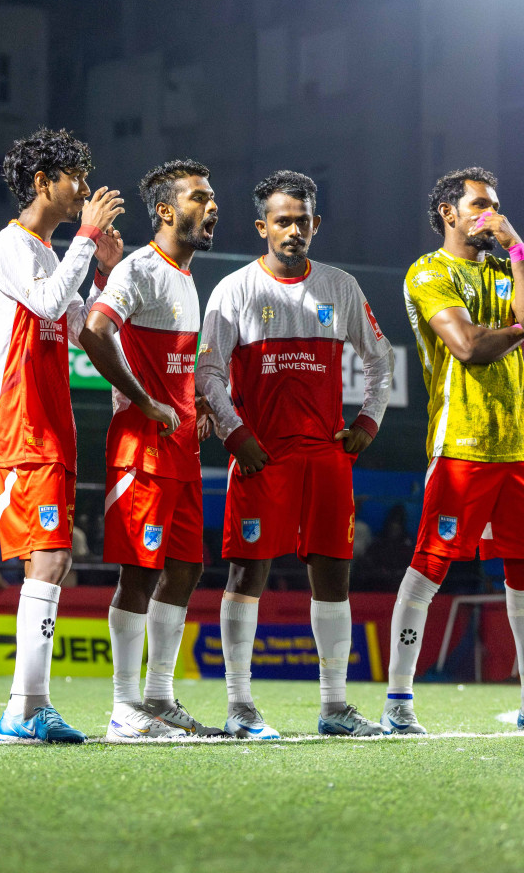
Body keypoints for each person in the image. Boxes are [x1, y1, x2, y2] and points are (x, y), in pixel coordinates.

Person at [383, 168, 524, 734]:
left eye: (496, 205)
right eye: (479, 205)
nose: (490, 215)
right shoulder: (429, 272)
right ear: (448, 213)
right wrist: (521, 329)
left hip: (519, 444)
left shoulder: (505, 265)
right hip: (462, 444)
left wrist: (517, 247)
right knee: (429, 566)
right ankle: (398, 702)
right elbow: (469, 348)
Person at [195, 170, 392, 738]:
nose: (294, 229)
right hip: (261, 458)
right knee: (246, 573)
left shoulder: (341, 286)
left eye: (303, 220)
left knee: (334, 575)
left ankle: (334, 708)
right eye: (283, 220)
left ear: (316, 224)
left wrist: (368, 422)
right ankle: (240, 705)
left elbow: (380, 361)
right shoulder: (233, 289)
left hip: (326, 460)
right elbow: (208, 372)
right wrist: (235, 434)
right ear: (262, 227)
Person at [0, 129, 124, 742]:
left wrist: (105, 272)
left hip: (52, 422)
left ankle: (27, 704)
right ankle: (25, 706)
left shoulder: (45, 249)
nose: (85, 190)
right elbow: (43, 304)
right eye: (75, 177)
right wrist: (86, 238)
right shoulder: (8, 245)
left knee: (55, 558)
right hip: (21, 419)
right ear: (42, 182)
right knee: (53, 558)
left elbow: (70, 321)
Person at [78, 159, 220, 742]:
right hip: (141, 451)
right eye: (199, 198)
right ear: (166, 211)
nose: (211, 208)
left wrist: (194, 405)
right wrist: (145, 402)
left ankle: (158, 699)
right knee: (139, 573)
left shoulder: (185, 276)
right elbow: (93, 330)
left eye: (212, 199)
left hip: (182, 448)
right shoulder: (139, 267)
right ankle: (123, 708)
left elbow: (174, 364)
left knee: (187, 567)